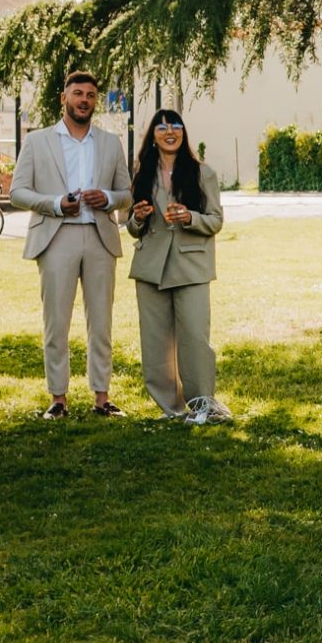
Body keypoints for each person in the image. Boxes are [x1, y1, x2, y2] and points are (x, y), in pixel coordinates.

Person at [10, 70, 133, 417]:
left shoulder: (110, 143)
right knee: (56, 321)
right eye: (77, 93)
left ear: (96, 101)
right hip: (56, 235)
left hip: (99, 236)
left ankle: (102, 397)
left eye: (90, 95)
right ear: (63, 98)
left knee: (101, 321)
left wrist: (106, 197)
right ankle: (58, 399)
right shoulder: (38, 141)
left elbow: (126, 194)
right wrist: (54, 203)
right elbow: (17, 191)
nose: (84, 100)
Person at [127, 108, 228, 422]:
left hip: (191, 266)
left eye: (175, 126)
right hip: (150, 266)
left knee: (195, 338)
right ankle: (170, 409)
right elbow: (130, 226)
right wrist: (138, 218)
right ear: (153, 136)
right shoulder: (141, 172)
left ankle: (202, 406)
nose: (169, 131)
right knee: (155, 342)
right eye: (162, 127)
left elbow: (215, 221)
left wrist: (190, 217)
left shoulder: (202, 173)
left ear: (183, 133)